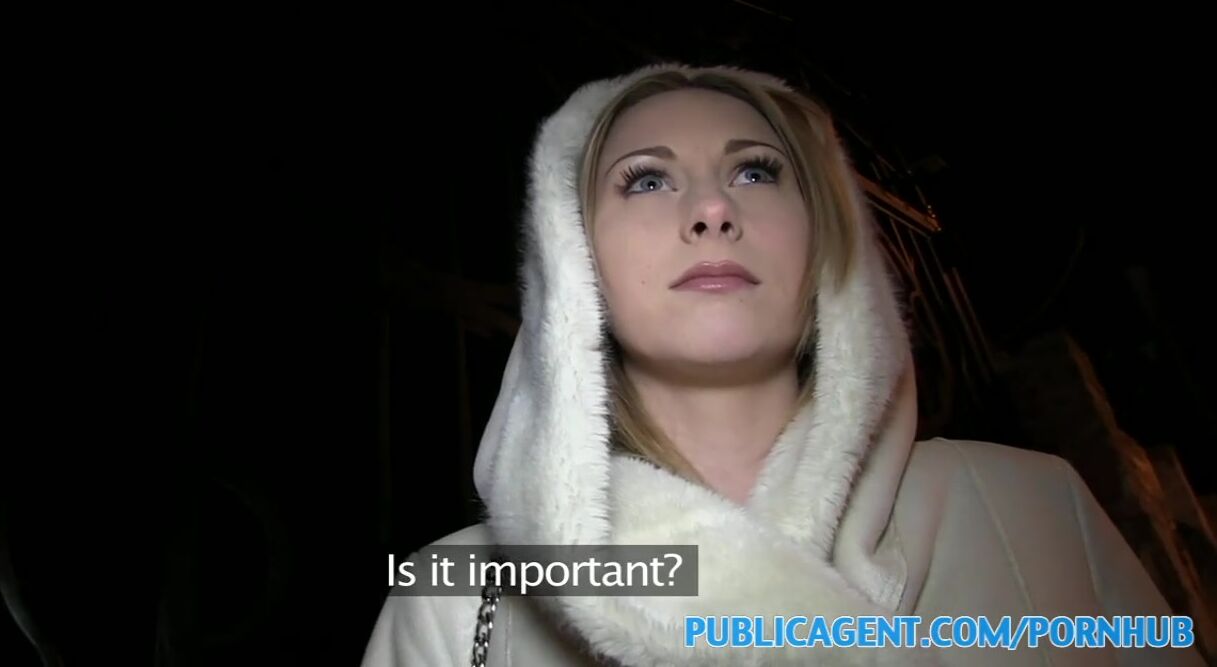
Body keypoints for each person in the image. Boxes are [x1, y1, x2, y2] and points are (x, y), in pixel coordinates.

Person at [359, 63, 1202, 666]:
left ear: (825, 237)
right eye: (645, 180)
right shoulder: (451, 599)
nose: (712, 208)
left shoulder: (1034, 507)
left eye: (756, 171)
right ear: (570, 257)